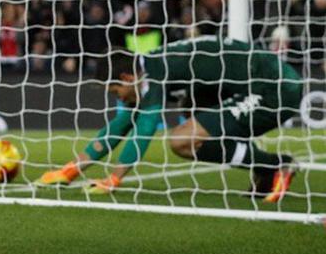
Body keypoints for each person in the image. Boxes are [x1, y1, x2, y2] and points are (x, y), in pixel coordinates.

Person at [37, 35, 303, 204]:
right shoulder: (148, 69)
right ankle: (267, 169)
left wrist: (114, 179)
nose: (118, 98)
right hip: (241, 85)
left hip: (274, 87)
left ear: (128, 78)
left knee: (182, 140)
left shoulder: (156, 73)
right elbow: (120, 125)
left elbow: (144, 129)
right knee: (191, 115)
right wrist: (70, 170)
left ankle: (276, 165)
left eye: (116, 91)